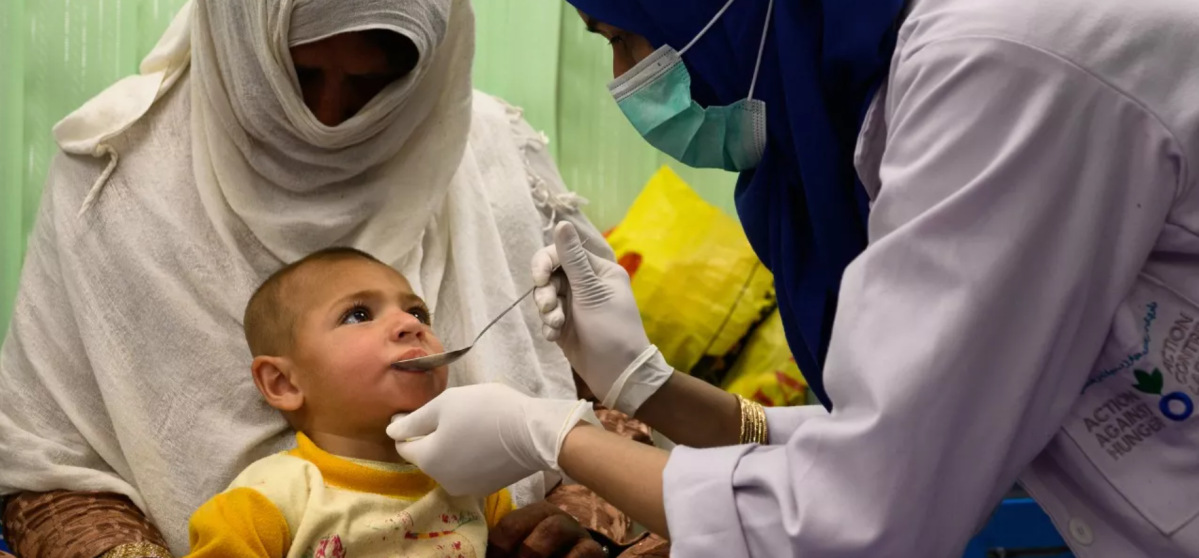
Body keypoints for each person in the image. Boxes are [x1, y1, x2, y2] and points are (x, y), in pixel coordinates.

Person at [388, 0, 1199, 556]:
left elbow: (865, 510)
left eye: (620, 36)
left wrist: (551, 437)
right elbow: (906, 431)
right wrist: (646, 385)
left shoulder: (996, 66)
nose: (624, 77)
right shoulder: (889, 97)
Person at [0, 1, 633, 556]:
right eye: (297, 76)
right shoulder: (115, 175)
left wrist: (569, 521)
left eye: (375, 85)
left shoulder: (489, 151)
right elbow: (50, 461)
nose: (329, 118)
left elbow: (608, 413)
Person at [185, 247, 593, 557]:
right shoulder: (265, 503)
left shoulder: (478, 485)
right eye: (358, 315)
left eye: (419, 313)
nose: (410, 325)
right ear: (283, 382)